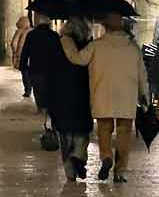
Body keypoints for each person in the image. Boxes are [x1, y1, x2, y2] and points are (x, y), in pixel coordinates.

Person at [61, 11, 151, 184]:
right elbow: (142, 75)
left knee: (104, 130)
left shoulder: (96, 46)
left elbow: (78, 59)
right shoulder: (133, 48)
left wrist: (67, 42)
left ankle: (106, 156)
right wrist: (144, 95)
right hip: (126, 97)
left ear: (105, 27)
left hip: (103, 95)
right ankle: (120, 172)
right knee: (124, 134)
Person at [46, 17, 94, 181]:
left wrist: (47, 99)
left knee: (65, 137)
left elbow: (49, 73)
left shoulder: (55, 46)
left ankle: (70, 174)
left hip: (59, 97)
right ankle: (79, 155)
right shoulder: (87, 47)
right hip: (81, 94)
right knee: (81, 133)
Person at [20, 16, 58, 114]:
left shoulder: (31, 35)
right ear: (48, 24)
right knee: (49, 88)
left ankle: (40, 107)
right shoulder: (54, 35)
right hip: (51, 68)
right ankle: (48, 107)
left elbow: (25, 52)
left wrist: (23, 65)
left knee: (37, 88)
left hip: (35, 67)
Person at [10, 15, 34, 97]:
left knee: (25, 72)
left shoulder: (19, 31)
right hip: (33, 55)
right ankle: (31, 87)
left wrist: (14, 53)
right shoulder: (33, 30)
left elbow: (14, 43)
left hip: (22, 54)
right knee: (32, 72)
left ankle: (27, 90)